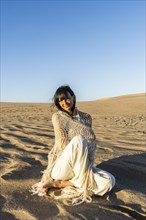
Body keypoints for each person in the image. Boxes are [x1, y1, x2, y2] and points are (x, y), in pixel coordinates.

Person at [31, 85, 115, 205]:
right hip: (63, 167)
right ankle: (73, 182)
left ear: (73, 97)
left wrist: (84, 154)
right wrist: (80, 146)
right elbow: (63, 142)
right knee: (80, 140)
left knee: (109, 181)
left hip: (83, 165)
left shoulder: (86, 118)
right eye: (60, 100)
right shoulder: (58, 117)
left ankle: (63, 184)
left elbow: (90, 140)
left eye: (67, 98)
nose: (65, 102)